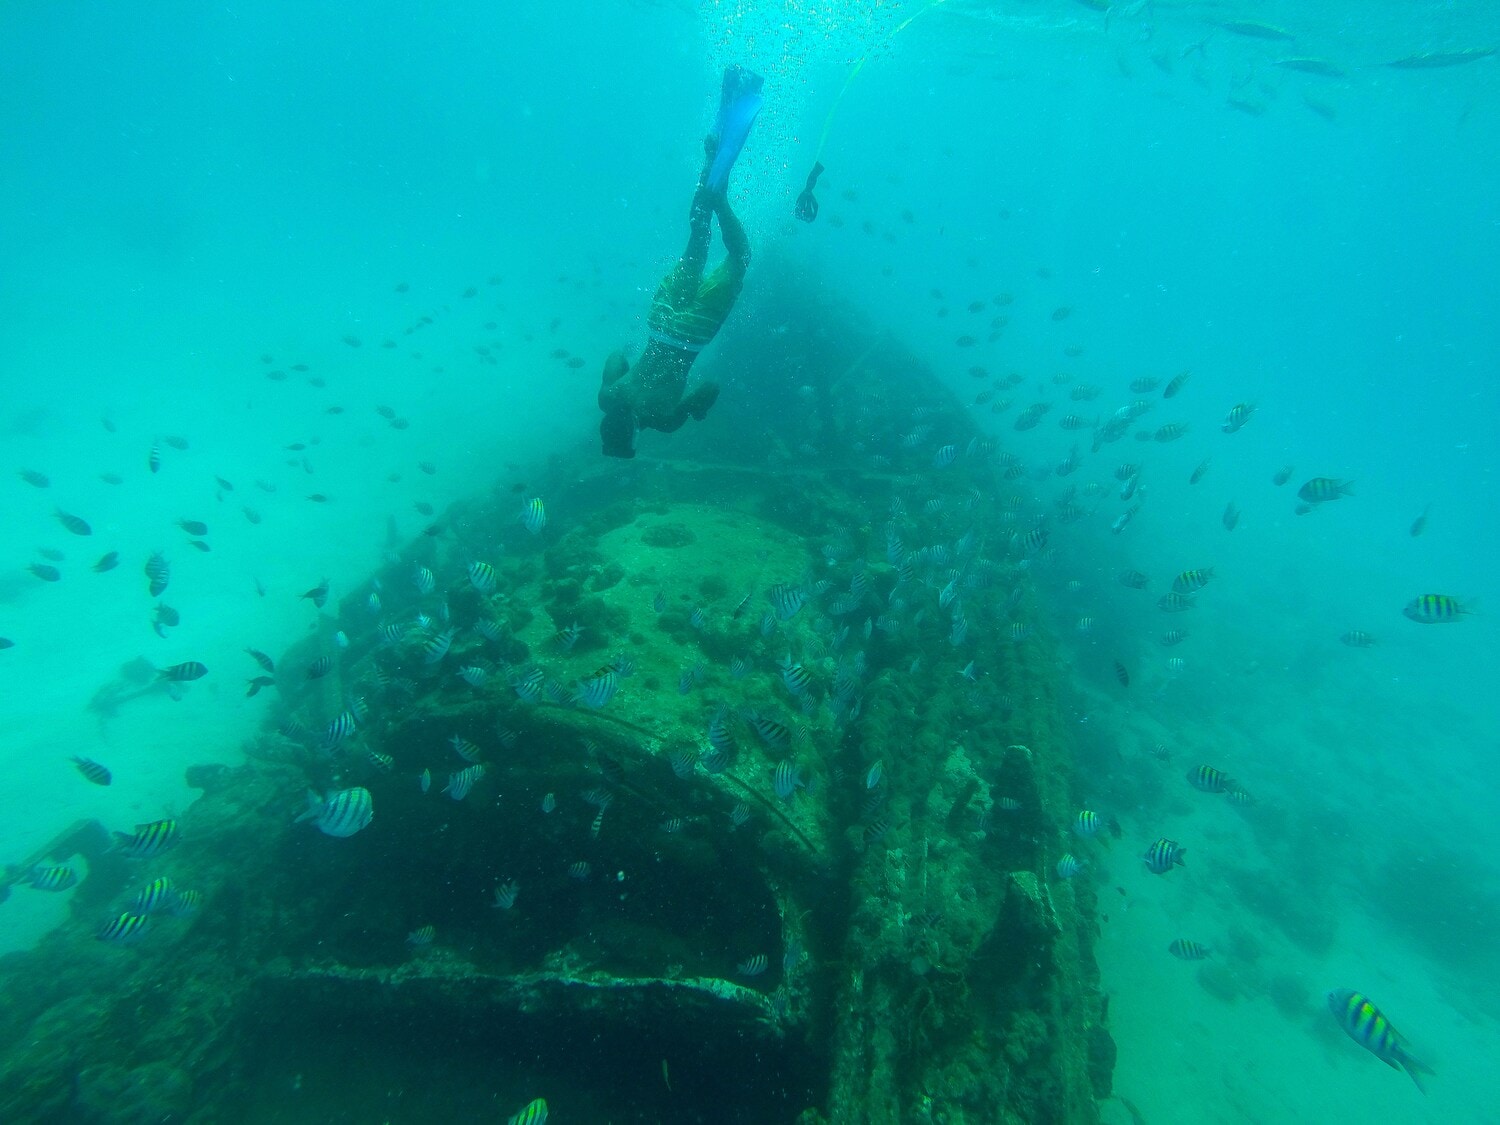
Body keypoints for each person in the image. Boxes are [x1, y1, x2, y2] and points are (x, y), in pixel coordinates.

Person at [599, 66, 762, 459]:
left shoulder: (664, 419)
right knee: (696, 244)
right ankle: (710, 164)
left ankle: (721, 199)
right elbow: (616, 358)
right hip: (660, 322)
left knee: (740, 257)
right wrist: (623, 381)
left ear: (634, 438)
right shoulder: (608, 398)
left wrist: (697, 408)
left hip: (691, 336)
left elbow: (710, 388)